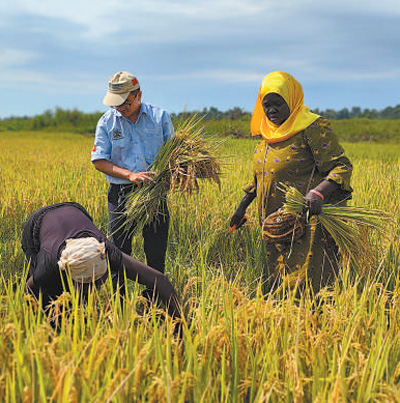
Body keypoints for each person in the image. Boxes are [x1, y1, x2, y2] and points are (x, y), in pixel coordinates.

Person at [230, 71, 353, 294]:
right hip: (275, 228)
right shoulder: (267, 135)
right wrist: (241, 208)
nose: (271, 110)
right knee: (280, 287)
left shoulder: (312, 127)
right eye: (266, 105)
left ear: (293, 100)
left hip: (307, 225)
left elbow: (342, 167)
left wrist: (319, 193)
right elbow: (259, 179)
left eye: (278, 103)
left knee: (308, 287)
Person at [21, 202, 180, 319]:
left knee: (80, 304)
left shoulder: (105, 251)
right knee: (53, 300)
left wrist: (182, 328)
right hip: (37, 224)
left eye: (98, 282)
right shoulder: (47, 266)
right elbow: (28, 294)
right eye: (86, 284)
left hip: (75, 210)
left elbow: (159, 280)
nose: (93, 289)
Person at [91, 71, 175, 294]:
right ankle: (120, 303)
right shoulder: (107, 121)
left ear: (138, 95)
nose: (120, 108)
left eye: (125, 104)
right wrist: (129, 175)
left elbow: (174, 153)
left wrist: (167, 177)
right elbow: (99, 160)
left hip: (154, 194)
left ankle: (155, 301)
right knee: (119, 253)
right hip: (121, 194)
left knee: (156, 252)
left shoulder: (160, 117)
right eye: (116, 104)